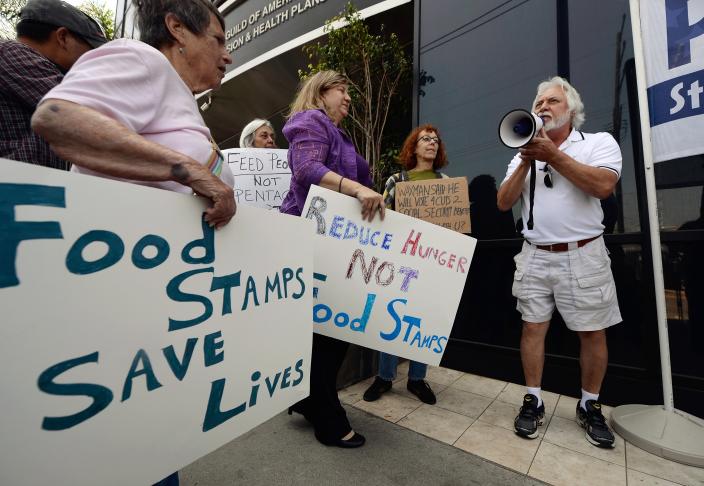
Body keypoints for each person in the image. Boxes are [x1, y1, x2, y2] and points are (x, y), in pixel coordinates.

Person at [32, 0, 236, 483]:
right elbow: (57, 116)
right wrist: (190, 172)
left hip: (159, 314)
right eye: (219, 40)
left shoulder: (179, 97)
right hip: (121, 308)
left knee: (153, 449)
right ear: (176, 30)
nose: (227, 55)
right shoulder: (141, 59)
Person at [497, 76, 622, 448]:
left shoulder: (598, 143)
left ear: (571, 110)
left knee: (591, 331)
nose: (542, 108)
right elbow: (504, 202)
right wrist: (525, 158)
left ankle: (589, 404)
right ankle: (534, 398)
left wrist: (553, 156)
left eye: (551, 101)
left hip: (583, 254)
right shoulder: (522, 153)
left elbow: (602, 186)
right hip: (536, 254)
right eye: (538, 103)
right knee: (532, 329)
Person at [281, 70, 385, 448]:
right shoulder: (309, 121)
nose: (348, 97)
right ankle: (327, 417)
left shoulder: (339, 134)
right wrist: (357, 188)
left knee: (331, 328)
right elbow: (306, 169)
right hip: (314, 240)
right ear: (319, 92)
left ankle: (310, 400)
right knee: (330, 331)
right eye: (342, 89)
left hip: (338, 243)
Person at [362, 124, 449, 405]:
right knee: (391, 316)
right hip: (400, 262)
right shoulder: (396, 181)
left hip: (431, 264)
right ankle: (384, 377)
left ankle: (417, 379)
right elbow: (382, 219)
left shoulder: (445, 183)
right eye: (426, 139)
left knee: (423, 318)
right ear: (414, 146)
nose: (432, 143)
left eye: (436, 140)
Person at [0, 0, 107, 170]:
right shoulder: (13, 53)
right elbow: (91, 111)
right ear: (62, 37)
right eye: (92, 51)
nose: (97, 61)